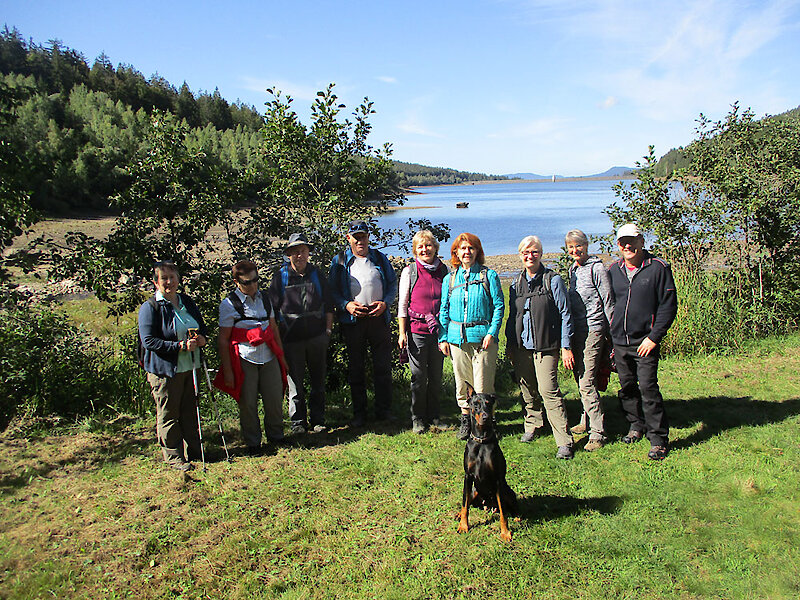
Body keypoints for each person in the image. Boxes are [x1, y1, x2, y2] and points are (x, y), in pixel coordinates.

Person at [608, 223, 677, 460]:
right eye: (622, 242)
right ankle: (636, 425)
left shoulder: (658, 268)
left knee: (648, 388)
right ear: (618, 245)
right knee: (627, 388)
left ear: (641, 241)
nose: (627, 246)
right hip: (620, 341)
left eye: (632, 241)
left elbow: (668, 307)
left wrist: (653, 337)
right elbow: (611, 304)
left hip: (645, 343)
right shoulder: (614, 270)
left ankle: (658, 439)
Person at [505, 236, 575, 459]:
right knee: (527, 388)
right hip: (521, 346)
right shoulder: (516, 284)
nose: (530, 256)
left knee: (548, 391)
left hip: (547, 346)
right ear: (520, 255)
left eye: (534, 252)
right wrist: (510, 345)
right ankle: (533, 424)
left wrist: (566, 347)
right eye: (525, 252)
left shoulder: (552, 280)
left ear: (541, 254)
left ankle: (564, 441)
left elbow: (566, 314)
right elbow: (512, 317)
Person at [138, 260, 208, 472]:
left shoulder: (186, 301)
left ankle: (195, 450)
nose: (169, 282)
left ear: (179, 279)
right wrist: (179, 346)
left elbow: (201, 327)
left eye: (172, 277)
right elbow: (148, 341)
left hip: (191, 366)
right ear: (156, 282)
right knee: (169, 413)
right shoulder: (150, 308)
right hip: (166, 370)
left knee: (190, 410)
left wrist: (202, 339)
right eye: (164, 278)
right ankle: (174, 456)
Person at [328, 220, 398, 427]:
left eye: (363, 236)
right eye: (355, 237)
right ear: (348, 238)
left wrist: (386, 303)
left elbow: (392, 283)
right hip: (353, 320)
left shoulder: (379, 257)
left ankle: (384, 411)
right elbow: (332, 290)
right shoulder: (340, 261)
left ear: (369, 237)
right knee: (356, 368)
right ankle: (360, 414)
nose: (360, 240)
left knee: (383, 367)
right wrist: (346, 305)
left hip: (378, 318)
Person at [217, 259, 288, 455]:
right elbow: (223, 340)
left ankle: (276, 436)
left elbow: (273, 329)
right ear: (236, 282)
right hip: (245, 358)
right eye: (247, 282)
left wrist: (282, 359)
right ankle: (253, 442)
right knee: (248, 403)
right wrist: (229, 371)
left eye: (255, 280)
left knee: (274, 399)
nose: (253, 285)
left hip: (269, 355)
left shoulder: (266, 299)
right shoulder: (229, 304)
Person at [438, 232, 504, 441]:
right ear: (456, 252)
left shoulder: (488, 276)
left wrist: (492, 332)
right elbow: (443, 310)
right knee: (462, 384)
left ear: (478, 251)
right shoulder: (450, 279)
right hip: (457, 339)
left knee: (483, 386)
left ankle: (488, 425)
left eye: (471, 248)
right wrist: (443, 337)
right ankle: (466, 422)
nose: (467, 252)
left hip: (483, 340)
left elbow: (499, 306)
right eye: (463, 248)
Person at [268, 233, 334, 434]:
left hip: (317, 337)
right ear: (288, 254)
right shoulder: (280, 278)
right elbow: (271, 312)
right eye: (295, 252)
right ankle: (297, 423)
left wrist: (328, 332)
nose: (299, 255)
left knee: (318, 381)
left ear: (308, 253)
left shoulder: (317, 275)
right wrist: (277, 341)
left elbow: (329, 305)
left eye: (303, 251)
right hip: (291, 340)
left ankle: (318, 420)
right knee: (295, 383)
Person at [565, 229, 615, 452]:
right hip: (576, 330)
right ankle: (585, 420)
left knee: (587, 381)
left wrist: (612, 333)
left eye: (579, 246)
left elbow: (608, 301)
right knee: (580, 376)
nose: (575, 250)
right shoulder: (572, 270)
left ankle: (597, 432)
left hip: (594, 329)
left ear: (586, 245)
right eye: (571, 247)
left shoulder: (597, 268)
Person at [398, 230, 449, 434]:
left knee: (436, 376)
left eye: (428, 245)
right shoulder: (409, 271)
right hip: (416, 331)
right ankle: (417, 418)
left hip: (438, 331)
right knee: (418, 376)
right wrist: (402, 333)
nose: (424, 249)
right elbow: (402, 305)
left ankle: (434, 416)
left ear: (435, 248)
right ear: (415, 250)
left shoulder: (444, 271)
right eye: (420, 246)